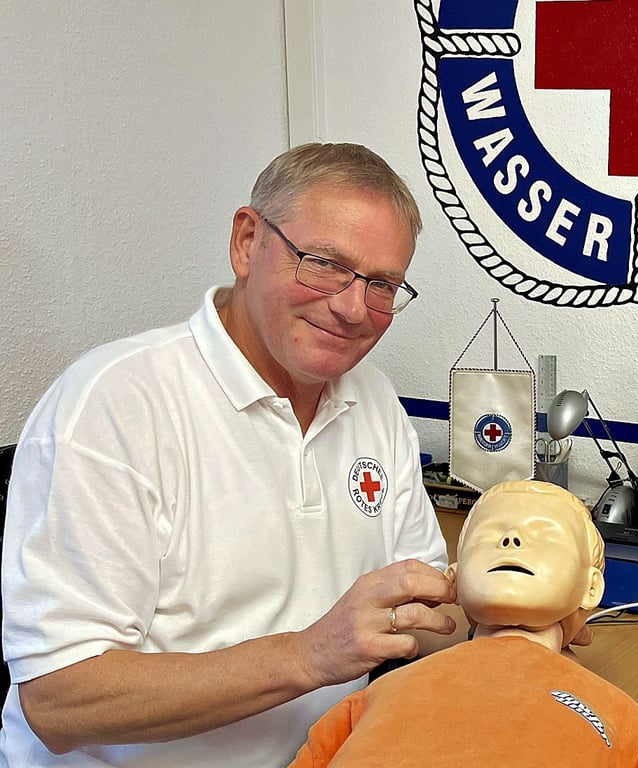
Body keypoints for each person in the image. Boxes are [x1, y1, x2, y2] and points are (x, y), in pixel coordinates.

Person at [0, 143, 461, 767]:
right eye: (324, 263)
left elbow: (424, 618)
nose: (354, 308)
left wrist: (519, 611)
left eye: (382, 284)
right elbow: (58, 703)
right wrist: (309, 655)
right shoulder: (113, 405)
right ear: (247, 242)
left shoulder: (374, 401)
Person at [288, 480, 638, 768]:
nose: (510, 541)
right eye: (491, 534)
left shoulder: (634, 732)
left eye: (544, 535)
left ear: (591, 586)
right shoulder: (368, 700)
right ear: (455, 578)